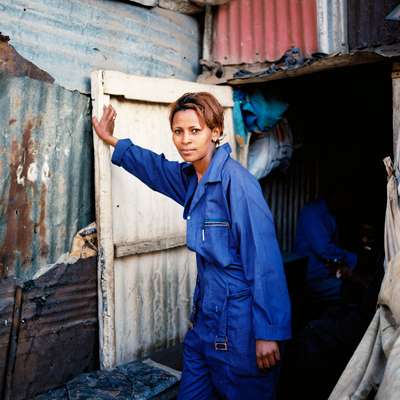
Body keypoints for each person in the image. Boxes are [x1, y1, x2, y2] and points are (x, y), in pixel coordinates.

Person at [92, 92, 291, 400]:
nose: (185, 140)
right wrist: (111, 140)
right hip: (203, 323)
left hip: (239, 327)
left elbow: (264, 261)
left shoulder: (237, 184)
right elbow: (154, 168)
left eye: (195, 131)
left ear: (215, 132)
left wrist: (268, 332)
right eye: (178, 131)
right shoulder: (191, 178)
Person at [295, 186, 358, 316]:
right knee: (351, 291)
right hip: (311, 278)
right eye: (343, 197)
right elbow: (324, 249)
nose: (345, 203)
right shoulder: (312, 212)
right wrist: (353, 259)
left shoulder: (330, 214)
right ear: (333, 195)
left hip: (325, 274)